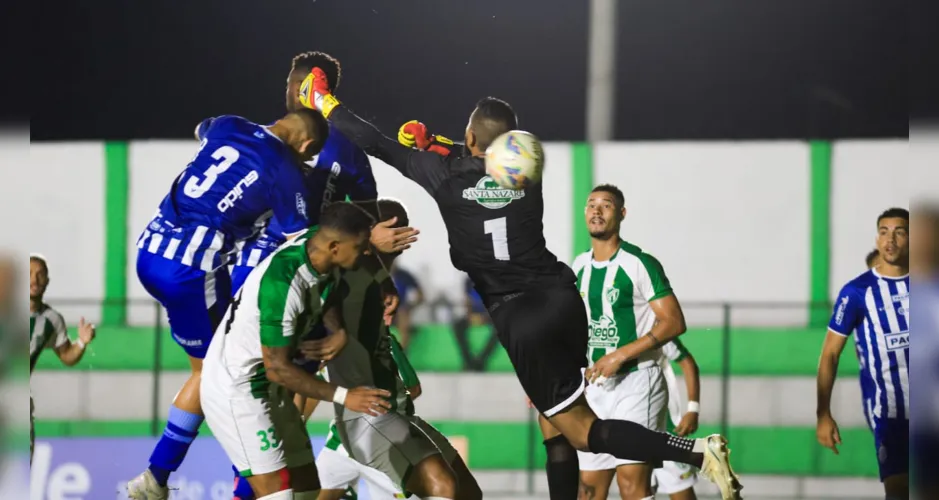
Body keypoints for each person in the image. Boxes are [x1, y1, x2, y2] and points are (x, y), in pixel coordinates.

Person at [299, 69, 742, 500]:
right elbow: (486, 154)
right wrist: (439, 142)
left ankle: (698, 453)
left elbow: (374, 140)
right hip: (563, 298)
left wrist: (323, 100)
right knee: (552, 420)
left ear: (471, 139)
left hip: (519, 314)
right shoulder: (527, 171)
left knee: (582, 431)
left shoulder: (444, 176)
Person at [127, 109, 336, 499]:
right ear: (306, 146)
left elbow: (199, 129)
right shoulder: (284, 169)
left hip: (150, 250)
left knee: (208, 372)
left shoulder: (227, 125)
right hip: (192, 268)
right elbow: (302, 242)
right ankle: (173, 479)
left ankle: (161, 478)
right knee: (225, 375)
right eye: (308, 157)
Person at [201, 202, 394, 500]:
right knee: (278, 496)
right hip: (238, 391)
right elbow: (276, 367)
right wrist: (345, 396)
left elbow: (323, 291)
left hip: (270, 390)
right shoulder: (283, 283)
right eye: (360, 246)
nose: (364, 253)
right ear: (334, 247)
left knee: (307, 488)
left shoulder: (318, 247)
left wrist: (337, 329)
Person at [297, 200, 482, 500]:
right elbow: (316, 361)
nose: (402, 235)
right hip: (370, 420)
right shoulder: (346, 277)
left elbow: (413, 388)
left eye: (405, 226)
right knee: (443, 487)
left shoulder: (384, 280)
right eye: (393, 227)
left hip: (398, 417)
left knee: (469, 494)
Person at [572, 184, 689, 500]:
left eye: (606, 205)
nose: (596, 211)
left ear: (621, 214)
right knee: (588, 489)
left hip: (637, 383)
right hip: (594, 387)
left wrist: (619, 355)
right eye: (591, 204)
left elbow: (674, 322)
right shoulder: (578, 266)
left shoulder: (639, 263)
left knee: (631, 486)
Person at [230, 51, 384, 293]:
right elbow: (368, 223)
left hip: (264, 260)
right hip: (314, 264)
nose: (290, 91)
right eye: (290, 84)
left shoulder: (267, 141)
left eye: (297, 84)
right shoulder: (352, 148)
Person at [816, 207, 910, 500]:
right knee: (898, 491)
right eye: (884, 232)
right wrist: (823, 413)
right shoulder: (856, 292)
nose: (890, 239)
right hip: (890, 412)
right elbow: (830, 354)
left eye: (899, 232)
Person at [28, 254, 96, 463]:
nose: (34, 280)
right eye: (29, 274)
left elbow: (66, 355)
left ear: (47, 281)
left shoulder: (51, 320)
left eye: (40, 275)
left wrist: (82, 342)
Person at [652, 339, 702, 500]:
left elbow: (687, 362)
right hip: (615, 422)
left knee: (680, 488)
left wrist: (693, 409)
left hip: (662, 426)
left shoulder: (654, 324)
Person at [390, 261, 424, 349]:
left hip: (400, 310)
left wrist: (410, 306)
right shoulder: (376, 274)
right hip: (382, 308)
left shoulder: (404, 275)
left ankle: (401, 352)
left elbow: (420, 295)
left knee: (403, 313)